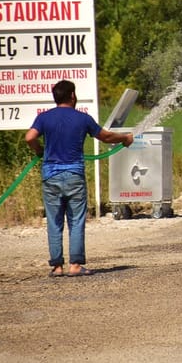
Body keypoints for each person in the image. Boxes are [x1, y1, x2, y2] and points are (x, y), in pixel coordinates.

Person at [25, 80, 134, 278]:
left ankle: (57, 267)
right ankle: (75, 265)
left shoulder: (44, 118)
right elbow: (106, 137)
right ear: (72, 96)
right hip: (74, 175)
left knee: (54, 221)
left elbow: (29, 137)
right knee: (76, 220)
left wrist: (39, 150)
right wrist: (125, 138)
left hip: (51, 175)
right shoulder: (82, 118)